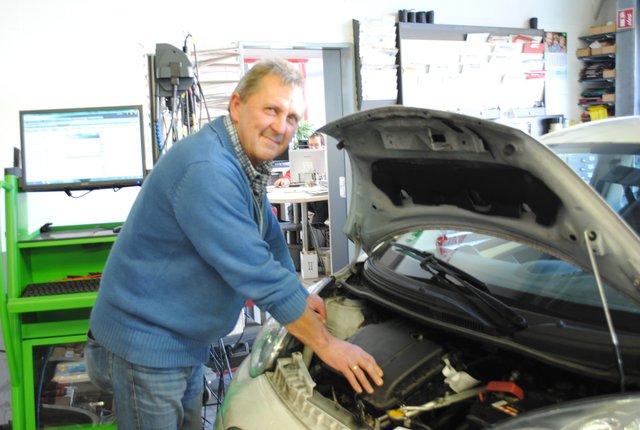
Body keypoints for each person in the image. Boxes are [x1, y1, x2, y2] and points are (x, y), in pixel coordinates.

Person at [85, 58, 383, 430]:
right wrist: (327, 346)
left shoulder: (244, 161)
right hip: (144, 347)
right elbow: (253, 268)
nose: (281, 126)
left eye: (291, 117)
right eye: (271, 109)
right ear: (237, 105)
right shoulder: (208, 168)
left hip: (181, 342)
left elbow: (269, 236)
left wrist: (299, 292)